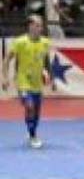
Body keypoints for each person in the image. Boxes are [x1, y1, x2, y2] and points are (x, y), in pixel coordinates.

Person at [1, 15, 53, 149]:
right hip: (23, 81)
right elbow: (7, 60)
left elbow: (46, 61)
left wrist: (47, 72)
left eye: (41, 25)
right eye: (37, 25)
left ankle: (31, 131)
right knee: (29, 106)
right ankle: (33, 135)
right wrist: (4, 77)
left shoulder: (45, 42)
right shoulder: (19, 42)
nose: (40, 28)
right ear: (30, 26)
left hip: (37, 83)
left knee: (35, 112)